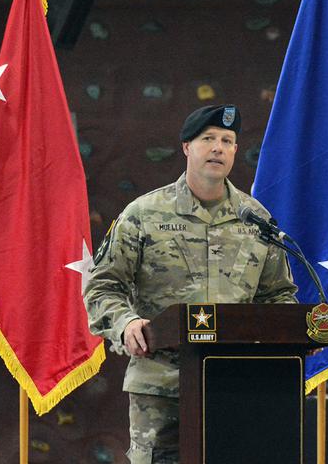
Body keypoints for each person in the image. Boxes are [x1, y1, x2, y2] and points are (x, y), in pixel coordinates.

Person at [83, 104, 298, 464]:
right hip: (160, 387)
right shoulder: (144, 214)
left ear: (234, 151)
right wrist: (126, 324)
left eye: (227, 141)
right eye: (208, 139)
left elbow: (278, 295)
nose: (218, 148)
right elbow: (102, 285)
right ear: (186, 147)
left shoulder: (256, 219)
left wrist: (292, 331)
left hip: (236, 387)